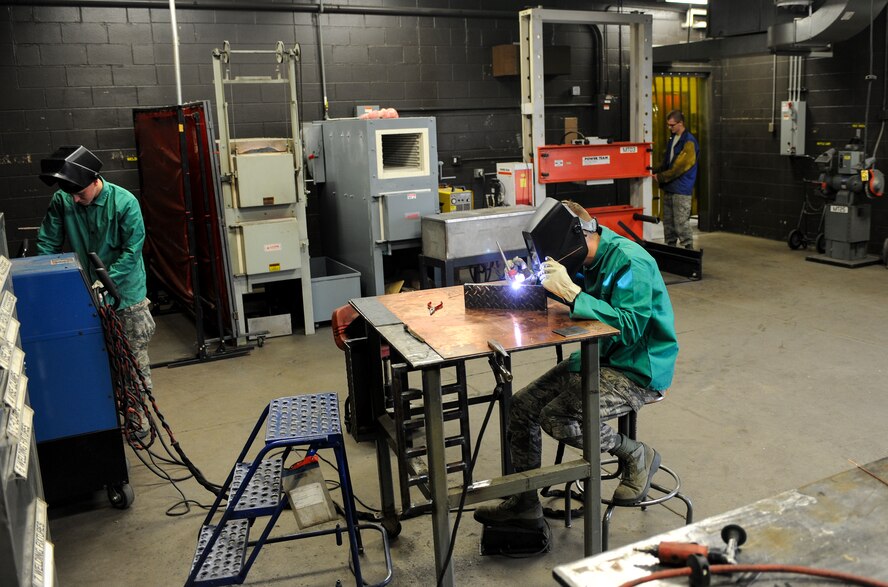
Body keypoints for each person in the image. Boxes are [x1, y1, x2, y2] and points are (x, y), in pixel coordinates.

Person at [474, 198, 679, 531]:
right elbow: (565, 294)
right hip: (596, 356)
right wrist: (527, 280)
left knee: (554, 416)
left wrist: (571, 293)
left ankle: (635, 453)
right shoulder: (585, 259)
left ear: (578, 236)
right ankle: (525, 504)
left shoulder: (630, 262)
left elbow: (629, 327)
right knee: (521, 406)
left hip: (637, 369)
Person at [36, 145, 155, 437]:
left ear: (94, 181)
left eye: (80, 194)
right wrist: (44, 281)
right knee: (96, 362)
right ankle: (105, 419)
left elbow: (131, 251)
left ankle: (137, 418)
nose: (74, 199)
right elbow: (48, 243)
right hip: (85, 298)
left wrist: (104, 282)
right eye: (70, 194)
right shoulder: (63, 200)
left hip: (125, 297)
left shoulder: (125, 203)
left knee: (132, 363)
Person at [654, 110, 699, 250]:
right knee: (668, 222)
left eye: (672, 125)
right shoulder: (673, 139)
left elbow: (680, 167)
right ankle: (671, 247)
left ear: (681, 123)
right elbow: (668, 162)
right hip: (670, 187)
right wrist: (655, 170)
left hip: (681, 188)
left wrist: (661, 177)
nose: (670, 128)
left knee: (681, 222)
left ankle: (689, 249)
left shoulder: (689, 142)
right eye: (668, 125)